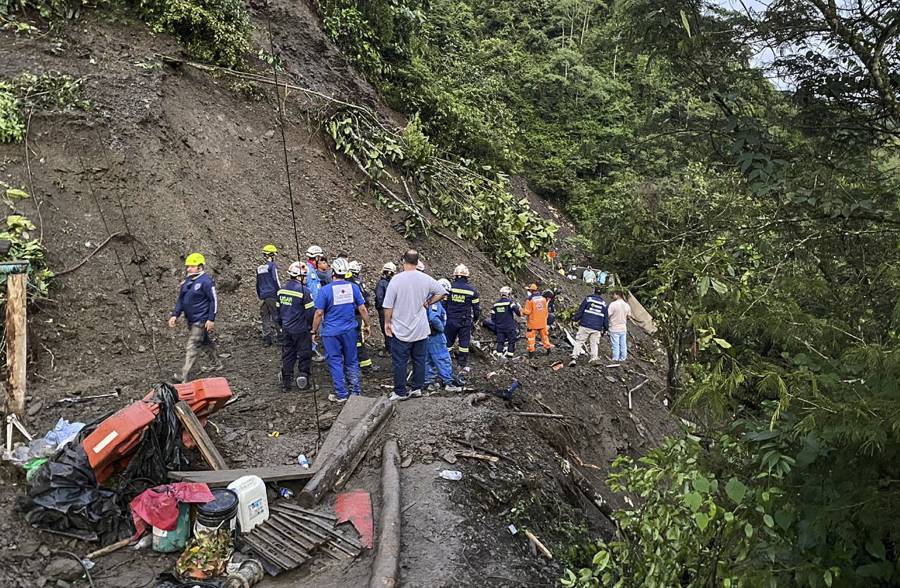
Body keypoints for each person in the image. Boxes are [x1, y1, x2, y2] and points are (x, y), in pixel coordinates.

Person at [382, 250, 445, 401]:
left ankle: (400, 392)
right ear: (417, 262)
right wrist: (428, 302)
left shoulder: (396, 280)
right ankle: (417, 388)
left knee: (400, 362)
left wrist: (387, 322)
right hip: (421, 329)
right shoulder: (425, 279)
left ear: (403, 261)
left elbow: (388, 305)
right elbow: (441, 292)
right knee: (419, 360)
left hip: (401, 329)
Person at [311, 258, 370, 403]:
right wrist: (367, 324)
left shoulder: (325, 290)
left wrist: (313, 331)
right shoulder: (353, 287)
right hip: (350, 330)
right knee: (351, 360)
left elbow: (319, 313)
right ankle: (355, 391)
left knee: (335, 361)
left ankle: (341, 394)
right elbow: (362, 308)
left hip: (331, 333)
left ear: (333, 273)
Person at [168, 252, 221, 382]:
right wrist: (175, 315)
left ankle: (183, 375)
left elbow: (213, 300)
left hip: (201, 319)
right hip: (190, 320)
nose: (188, 269)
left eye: (191, 266)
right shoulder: (186, 282)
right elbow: (181, 299)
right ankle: (216, 363)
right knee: (205, 343)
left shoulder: (206, 281)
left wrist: (211, 319)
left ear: (199, 267)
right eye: (188, 266)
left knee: (192, 345)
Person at [277, 262, 314, 391]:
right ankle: (303, 378)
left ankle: (286, 382)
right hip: (301, 329)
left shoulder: (281, 290)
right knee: (304, 353)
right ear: (299, 277)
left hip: (286, 328)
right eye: (305, 276)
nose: (306, 279)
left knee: (288, 354)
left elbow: (278, 311)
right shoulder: (305, 291)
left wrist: (282, 325)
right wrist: (311, 328)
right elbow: (310, 313)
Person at [424, 278, 463, 392]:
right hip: (435, 336)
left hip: (426, 335)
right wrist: (441, 329)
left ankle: (429, 383)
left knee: (428, 360)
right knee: (443, 358)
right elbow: (433, 318)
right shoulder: (435, 303)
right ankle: (449, 383)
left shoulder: (428, 299)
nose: (446, 296)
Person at [445, 264, 480, 370]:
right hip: (465, 321)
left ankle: (446, 362)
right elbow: (476, 309)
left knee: (447, 342)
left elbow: (444, 304)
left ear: (455, 275)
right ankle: (462, 365)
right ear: (467, 277)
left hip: (450, 319)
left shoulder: (450, 288)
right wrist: (475, 320)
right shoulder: (472, 291)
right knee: (464, 344)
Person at [568, 286, 608, 366]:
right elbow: (605, 318)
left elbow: (581, 311)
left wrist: (574, 319)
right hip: (597, 327)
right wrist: (605, 328)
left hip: (585, 324)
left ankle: (574, 358)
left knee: (579, 341)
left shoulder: (588, 299)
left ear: (594, 291)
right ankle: (594, 358)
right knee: (594, 343)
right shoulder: (604, 304)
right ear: (601, 294)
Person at [347, 260, 374, 372]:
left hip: (347, 316)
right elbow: (364, 300)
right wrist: (367, 322)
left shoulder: (343, 283)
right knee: (359, 339)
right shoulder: (355, 283)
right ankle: (365, 366)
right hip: (357, 314)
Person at [305, 245, 327, 362]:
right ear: (317, 257)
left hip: (317, 305)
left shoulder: (312, 269)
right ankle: (311, 351)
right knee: (312, 329)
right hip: (312, 307)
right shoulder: (308, 270)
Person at [256, 244, 281, 346]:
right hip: (272, 294)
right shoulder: (272, 266)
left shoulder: (259, 268)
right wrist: (279, 292)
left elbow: (257, 283)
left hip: (263, 295)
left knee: (265, 316)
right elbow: (276, 279)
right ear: (271, 255)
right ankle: (281, 337)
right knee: (276, 315)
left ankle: (267, 338)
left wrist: (260, 294)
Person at [521, 283, 553, 357]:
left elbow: (527, 311)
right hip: (542, 322)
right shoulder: (543, 299)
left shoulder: (530, 299)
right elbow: (546, 311)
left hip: (533, 323)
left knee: (531, 338)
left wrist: (521, 311)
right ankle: (548, 350)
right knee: (544, 336)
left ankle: (531, 353)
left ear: (531, 290)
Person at [491, 286, 520, 358]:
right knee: (511, 341)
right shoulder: (509, 302)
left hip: (500, 327)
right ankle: (509, 357)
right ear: (508, 294)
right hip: (509, 326)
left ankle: (499, 357)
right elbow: (516, 310)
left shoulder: (496, 304)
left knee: (500, 342)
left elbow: (492, 317)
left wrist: (497, 323)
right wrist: (519, 313)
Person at [374, 262, 396, 353]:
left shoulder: (381, 283)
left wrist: (379, 307)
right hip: (394, 309)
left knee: (386, 329)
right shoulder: (394, 283)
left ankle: (389, 349)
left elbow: (379, 297)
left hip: (384, 310)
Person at [608, 289, 633, 361]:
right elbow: (628, 317)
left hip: (614, 327)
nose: (613, 296)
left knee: (615, 344)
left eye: (614, 294)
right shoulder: (627, 305)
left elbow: (608, 315)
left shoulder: (613, 304)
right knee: (623, 344)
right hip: (623, 327)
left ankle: (615, 358)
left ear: (617, 295)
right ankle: (623, 358)